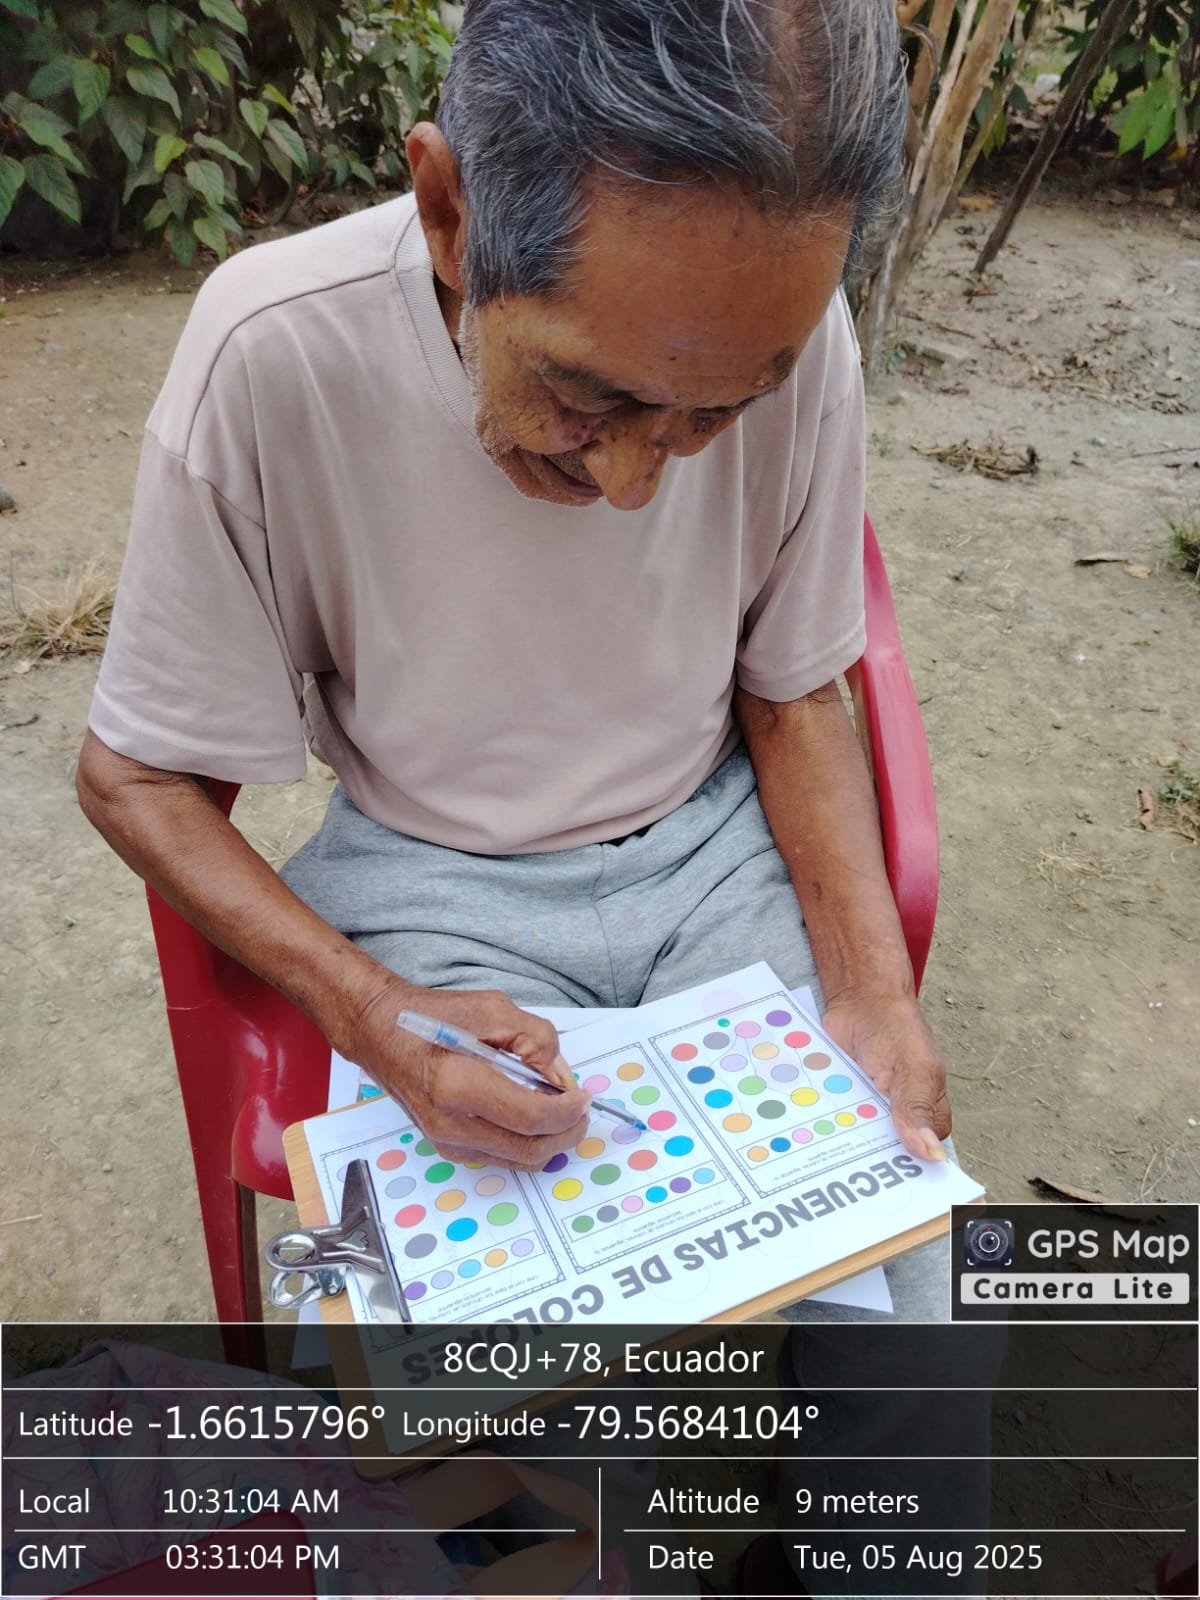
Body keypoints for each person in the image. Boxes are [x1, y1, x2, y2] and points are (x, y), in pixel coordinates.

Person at [78, 0, 952, 1273]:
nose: (637, 486)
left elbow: (794, 692)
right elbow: (135, 776)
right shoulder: (273, 351)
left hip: (720, 856)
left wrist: (872, 990)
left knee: (904, 1306)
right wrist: (371, 1010)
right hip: (425, 880)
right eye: (589, 395)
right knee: (515, 1370)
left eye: (714, 415)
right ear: (450, 213)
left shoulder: (793, 332)